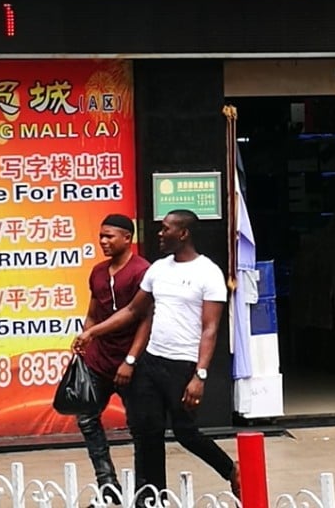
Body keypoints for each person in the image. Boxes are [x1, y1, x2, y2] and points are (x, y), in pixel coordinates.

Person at [73, 209, 239, 502]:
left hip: (183, 367)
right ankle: (150, 497)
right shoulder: (158, 269)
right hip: (150, 363)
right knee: (146, 434)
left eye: (165, 229)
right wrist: (92, 332)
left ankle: (231, 470)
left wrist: (200, 375)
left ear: (183, 233)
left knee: (186, 433)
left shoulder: (208, 272)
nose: (160, 234)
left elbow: (210, 329)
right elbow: (133, 311)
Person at [77, 214, 151, 503]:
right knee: (86, 418)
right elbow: (93, 313)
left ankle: (144, 491)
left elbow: (145, 320)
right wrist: (85, 341)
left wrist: (131, 360)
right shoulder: (97, 272)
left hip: (131, 362)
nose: (103, 242)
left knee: (140, 427)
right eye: (101, 236)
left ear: (127, 238)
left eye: (109, 236)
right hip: (99, 361)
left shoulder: (141, 271)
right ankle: (108, 486)